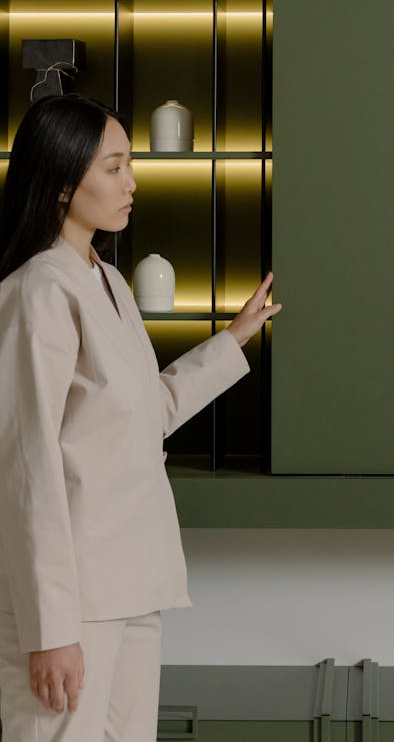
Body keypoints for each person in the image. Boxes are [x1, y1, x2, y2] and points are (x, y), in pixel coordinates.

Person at [0, 94, 281, 741]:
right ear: (64, 181)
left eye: (131, 164)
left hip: (133, 580)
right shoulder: (40, 292)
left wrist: (231, 339)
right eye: (115, 166)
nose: (132, 182)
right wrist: (51, 629)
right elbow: (28, 468)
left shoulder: (108, 280)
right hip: (74, 604)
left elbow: (144, 411)